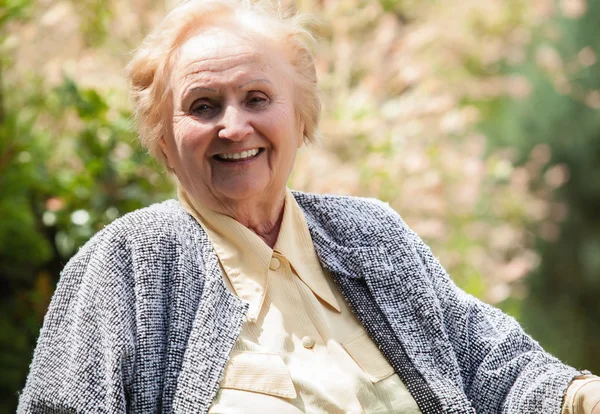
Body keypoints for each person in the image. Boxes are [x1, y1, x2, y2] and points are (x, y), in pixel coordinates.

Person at [17, 0, 600, 413]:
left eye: (257, 98)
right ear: (163, 139)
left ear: (301, 118)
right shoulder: (128, 265)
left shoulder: (371, 234)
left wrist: (580, 398)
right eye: (202, 105)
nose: (234, 125)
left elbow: (496, 369)